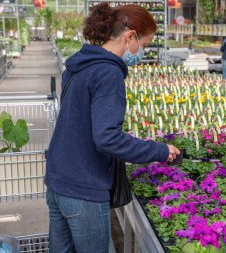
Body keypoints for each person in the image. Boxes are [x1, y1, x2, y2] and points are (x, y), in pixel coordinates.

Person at [44, 3, 180, 253]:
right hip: (83, 190)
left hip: (57, 181)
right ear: (130, 37)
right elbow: (106, 138)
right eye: (145, 44)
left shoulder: (79, 64)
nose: (142, 51)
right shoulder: (108, 73)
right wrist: (160, 151)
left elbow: (81, 123)